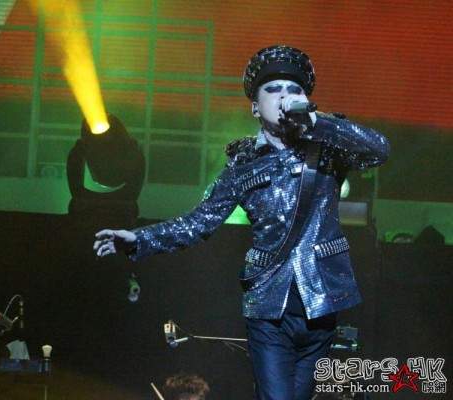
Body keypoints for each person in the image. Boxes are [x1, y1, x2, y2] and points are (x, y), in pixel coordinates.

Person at [93, 45, 389, 399]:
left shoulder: (326, 147)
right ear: (255, 106)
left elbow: (379, 150)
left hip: (322, 300)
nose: (285, 96)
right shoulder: (242, 167)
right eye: (273, 89)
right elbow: (198, 223)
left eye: (294, 89)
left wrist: (318, 123)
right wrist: (138, 239)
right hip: (268, 308)